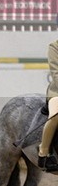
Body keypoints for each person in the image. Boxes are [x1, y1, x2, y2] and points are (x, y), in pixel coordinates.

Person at [38, 35, 58, 172]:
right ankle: (43, 153)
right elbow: (56, 73)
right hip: (57, 91)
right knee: (56, 115)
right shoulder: (54, 47)